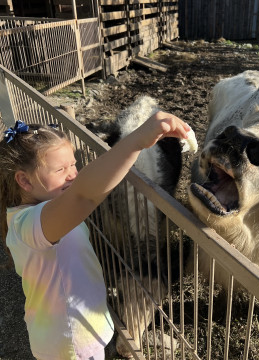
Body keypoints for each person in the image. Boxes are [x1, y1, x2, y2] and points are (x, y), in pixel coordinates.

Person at [0, 114, 190, 360]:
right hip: (69, 342)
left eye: (73, 165)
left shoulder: (42, 213)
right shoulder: (30, 224)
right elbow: (84, 195)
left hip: (72, 333)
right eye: (60, 169)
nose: (73, 175)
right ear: (24, 180)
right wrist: (136, 142)